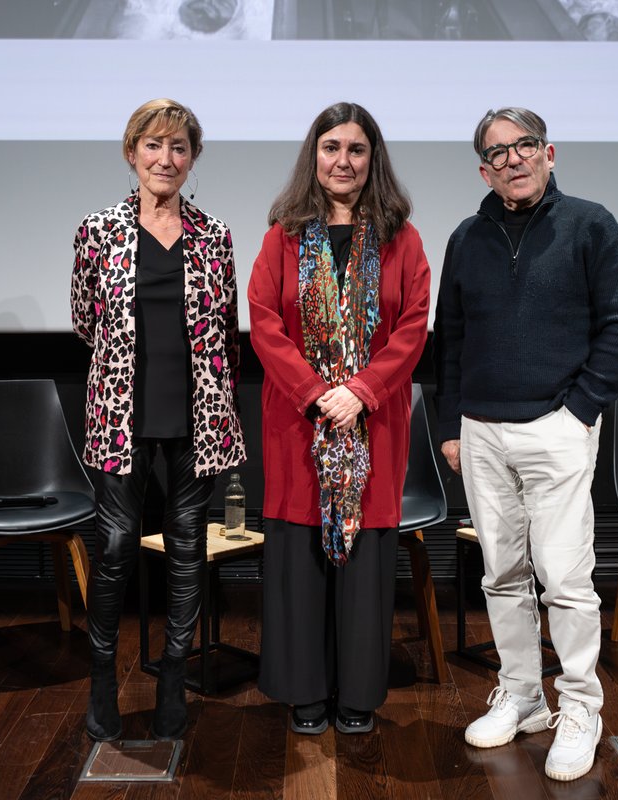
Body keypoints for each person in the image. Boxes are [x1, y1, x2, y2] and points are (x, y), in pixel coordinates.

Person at [434, 107, 618, 781]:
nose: (513, 160)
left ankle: (580, 707)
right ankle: (523, 695)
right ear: (484, 171)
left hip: (557, 426)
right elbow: (451, 338)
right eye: (497, 153)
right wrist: (450, 425)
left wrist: (578, 412)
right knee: (500, 573)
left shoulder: (590, 224)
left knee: (565, 579)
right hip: (481, 431)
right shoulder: (467, 237)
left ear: (548, 153)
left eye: (524, 146)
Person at [248, 102, 430, 736]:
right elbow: (264, 323)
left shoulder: (403, 238)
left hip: (372, 426)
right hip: (298, 422)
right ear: (314, 156)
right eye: (331, 148)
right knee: (299, 560)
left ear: (373, 159)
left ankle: (356, 696)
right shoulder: (283, 236)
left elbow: (412, 328)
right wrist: (316, 393)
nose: (343, 161)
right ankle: (305, 694)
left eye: (356, 149)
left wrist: (361, 392)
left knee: (366, 564)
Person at [70, 98, 246, 742]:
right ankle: (102, 682)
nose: (165, 158)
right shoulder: (97, 231)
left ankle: (174, 678)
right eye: (153, 145)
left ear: (192, 159)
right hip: (122, 417)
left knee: (187, 545)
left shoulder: (215, 235)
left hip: (199, 417)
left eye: (178, 147)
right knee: (117, 546)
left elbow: (227, 330)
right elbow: (85, 321)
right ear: (131, 153)